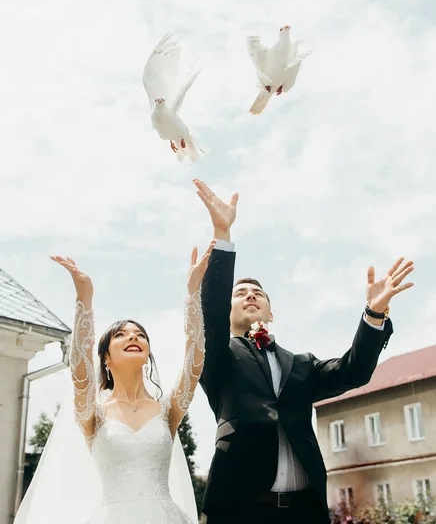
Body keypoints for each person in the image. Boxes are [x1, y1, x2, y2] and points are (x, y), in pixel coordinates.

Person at [193, 178, 414, 524]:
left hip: (304, 510)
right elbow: (210, 314)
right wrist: (222, 235)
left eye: (258, 293)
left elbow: (353, 372)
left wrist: (373, 314)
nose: (250, 295)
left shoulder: (301, 365)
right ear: (227, 310)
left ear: (271, 311)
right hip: (240, 508)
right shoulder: (218, 356)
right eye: (241, 293)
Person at [14, 241, 215, 524]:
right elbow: (80, 374)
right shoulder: (93, 414)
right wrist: (84, 301)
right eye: (120, 335)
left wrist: (193, 294)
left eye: (140, 334)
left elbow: (195, 359)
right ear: (106, 359)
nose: (133, 337)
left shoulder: (168, 410)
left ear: (147, 354)